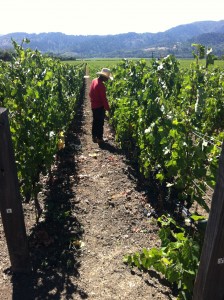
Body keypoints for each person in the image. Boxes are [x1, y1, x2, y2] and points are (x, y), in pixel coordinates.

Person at [89, 68, 112, 143]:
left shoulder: (94, 80)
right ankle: (99, 138)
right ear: (103, 77)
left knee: (95, 121)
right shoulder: (101, 86)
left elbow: (90, 93)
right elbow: (104, 99)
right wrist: (108, 108)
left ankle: (94, 137)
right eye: (107, 78)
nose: (107, 80)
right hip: (99, 107)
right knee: (100, 123)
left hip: (93, 105)